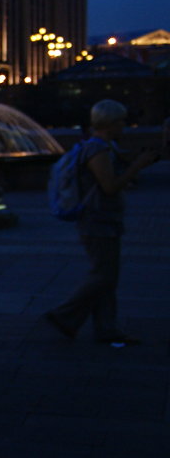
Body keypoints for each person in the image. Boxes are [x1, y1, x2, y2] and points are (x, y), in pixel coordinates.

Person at [44, 100, 160, 347]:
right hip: (98, 219)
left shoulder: (102, 147)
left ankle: (107, 328)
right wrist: (138, 166)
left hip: (103, 218)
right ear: (110, 123)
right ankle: (63, 314)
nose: (125, 126)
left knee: (108, 276)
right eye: (122, 121)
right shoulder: (98, 150)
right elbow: (110, 186)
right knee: (103, 275)